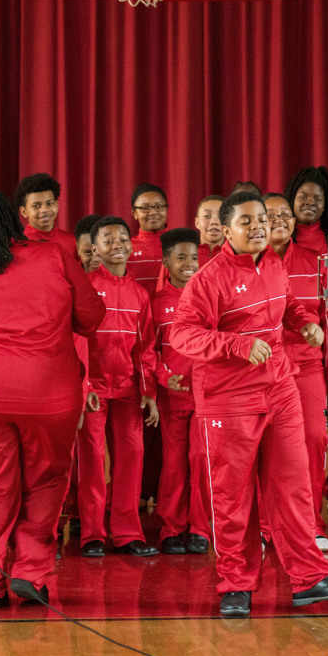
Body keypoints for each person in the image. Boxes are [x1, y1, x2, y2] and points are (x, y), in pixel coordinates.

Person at [170, 191, 328, 619]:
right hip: (229, 400)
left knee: (294, 485)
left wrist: (306, 324)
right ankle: (237, 585)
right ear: (226, 231)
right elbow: (182, 335)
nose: (259, 227)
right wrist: (237, 345)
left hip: (280, 389)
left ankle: (309, 577)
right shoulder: (209, 279)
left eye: (261, 219)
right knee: (234, 498)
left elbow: (291, 306)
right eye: (246, 222)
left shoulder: (274, 263)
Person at [0, 190, 106, 610]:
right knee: (46, 482)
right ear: (16, 219)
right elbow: (92, 317)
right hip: (50, 395)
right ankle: (31, 574)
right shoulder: (54, 256)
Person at [78, 216, 160, 557]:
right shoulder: (83, 286)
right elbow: (75, 341)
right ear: (94, 248)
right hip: (93, 392)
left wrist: (149, 392)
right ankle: (92, 534)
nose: (117, 245)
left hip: (128, 391)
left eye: (123, 239)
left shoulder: (139, 294)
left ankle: (127, 533)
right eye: (108, 240)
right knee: (93, 462)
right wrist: (83, 387)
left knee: (132, 457)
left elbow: (146, 347)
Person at [263, 192, 328, 550]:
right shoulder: (246, 264)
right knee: (264, 446)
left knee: (316, 438)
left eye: (284, 215)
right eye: (269, 214)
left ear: (294, 222)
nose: (278, 220)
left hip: (306, 365)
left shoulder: (316, 261)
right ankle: (264, 526)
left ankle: (310, 524)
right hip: (260, 368)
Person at [150, 228, 210, 555]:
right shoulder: (156, 302)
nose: (190, 264)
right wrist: (164, 376)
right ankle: (171, 528)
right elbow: (147, 348)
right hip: (172, 398)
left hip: (207, 395)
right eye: (181, 257)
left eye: (194, 258)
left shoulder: (208, 297)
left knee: (201, 459)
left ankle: (201, 528)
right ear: (166, 261)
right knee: (174, 463)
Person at [16, 172, 77, 261]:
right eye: (36, 206)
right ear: (24, 212)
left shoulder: (71, 241)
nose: (44, 210)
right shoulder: (19, 244)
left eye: (49, 203)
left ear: (56, 205)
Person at [284, 166, 328, 256]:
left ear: (324, 205)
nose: (310, 202)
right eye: (303, 197)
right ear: (293, 199)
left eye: (317, 199)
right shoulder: (281, 237)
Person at [127, 183, 170, 283]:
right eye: (145, 208)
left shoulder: (181, 244)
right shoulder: (126, 248)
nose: (153, 212)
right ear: (134, 213)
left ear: (167, 210)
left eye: (159, 206)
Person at [193, 195, 226, 265]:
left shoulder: (236, 254)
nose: (214, 221)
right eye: (206, 216)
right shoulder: (184, 252)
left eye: (221, 216)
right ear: (197, 223)